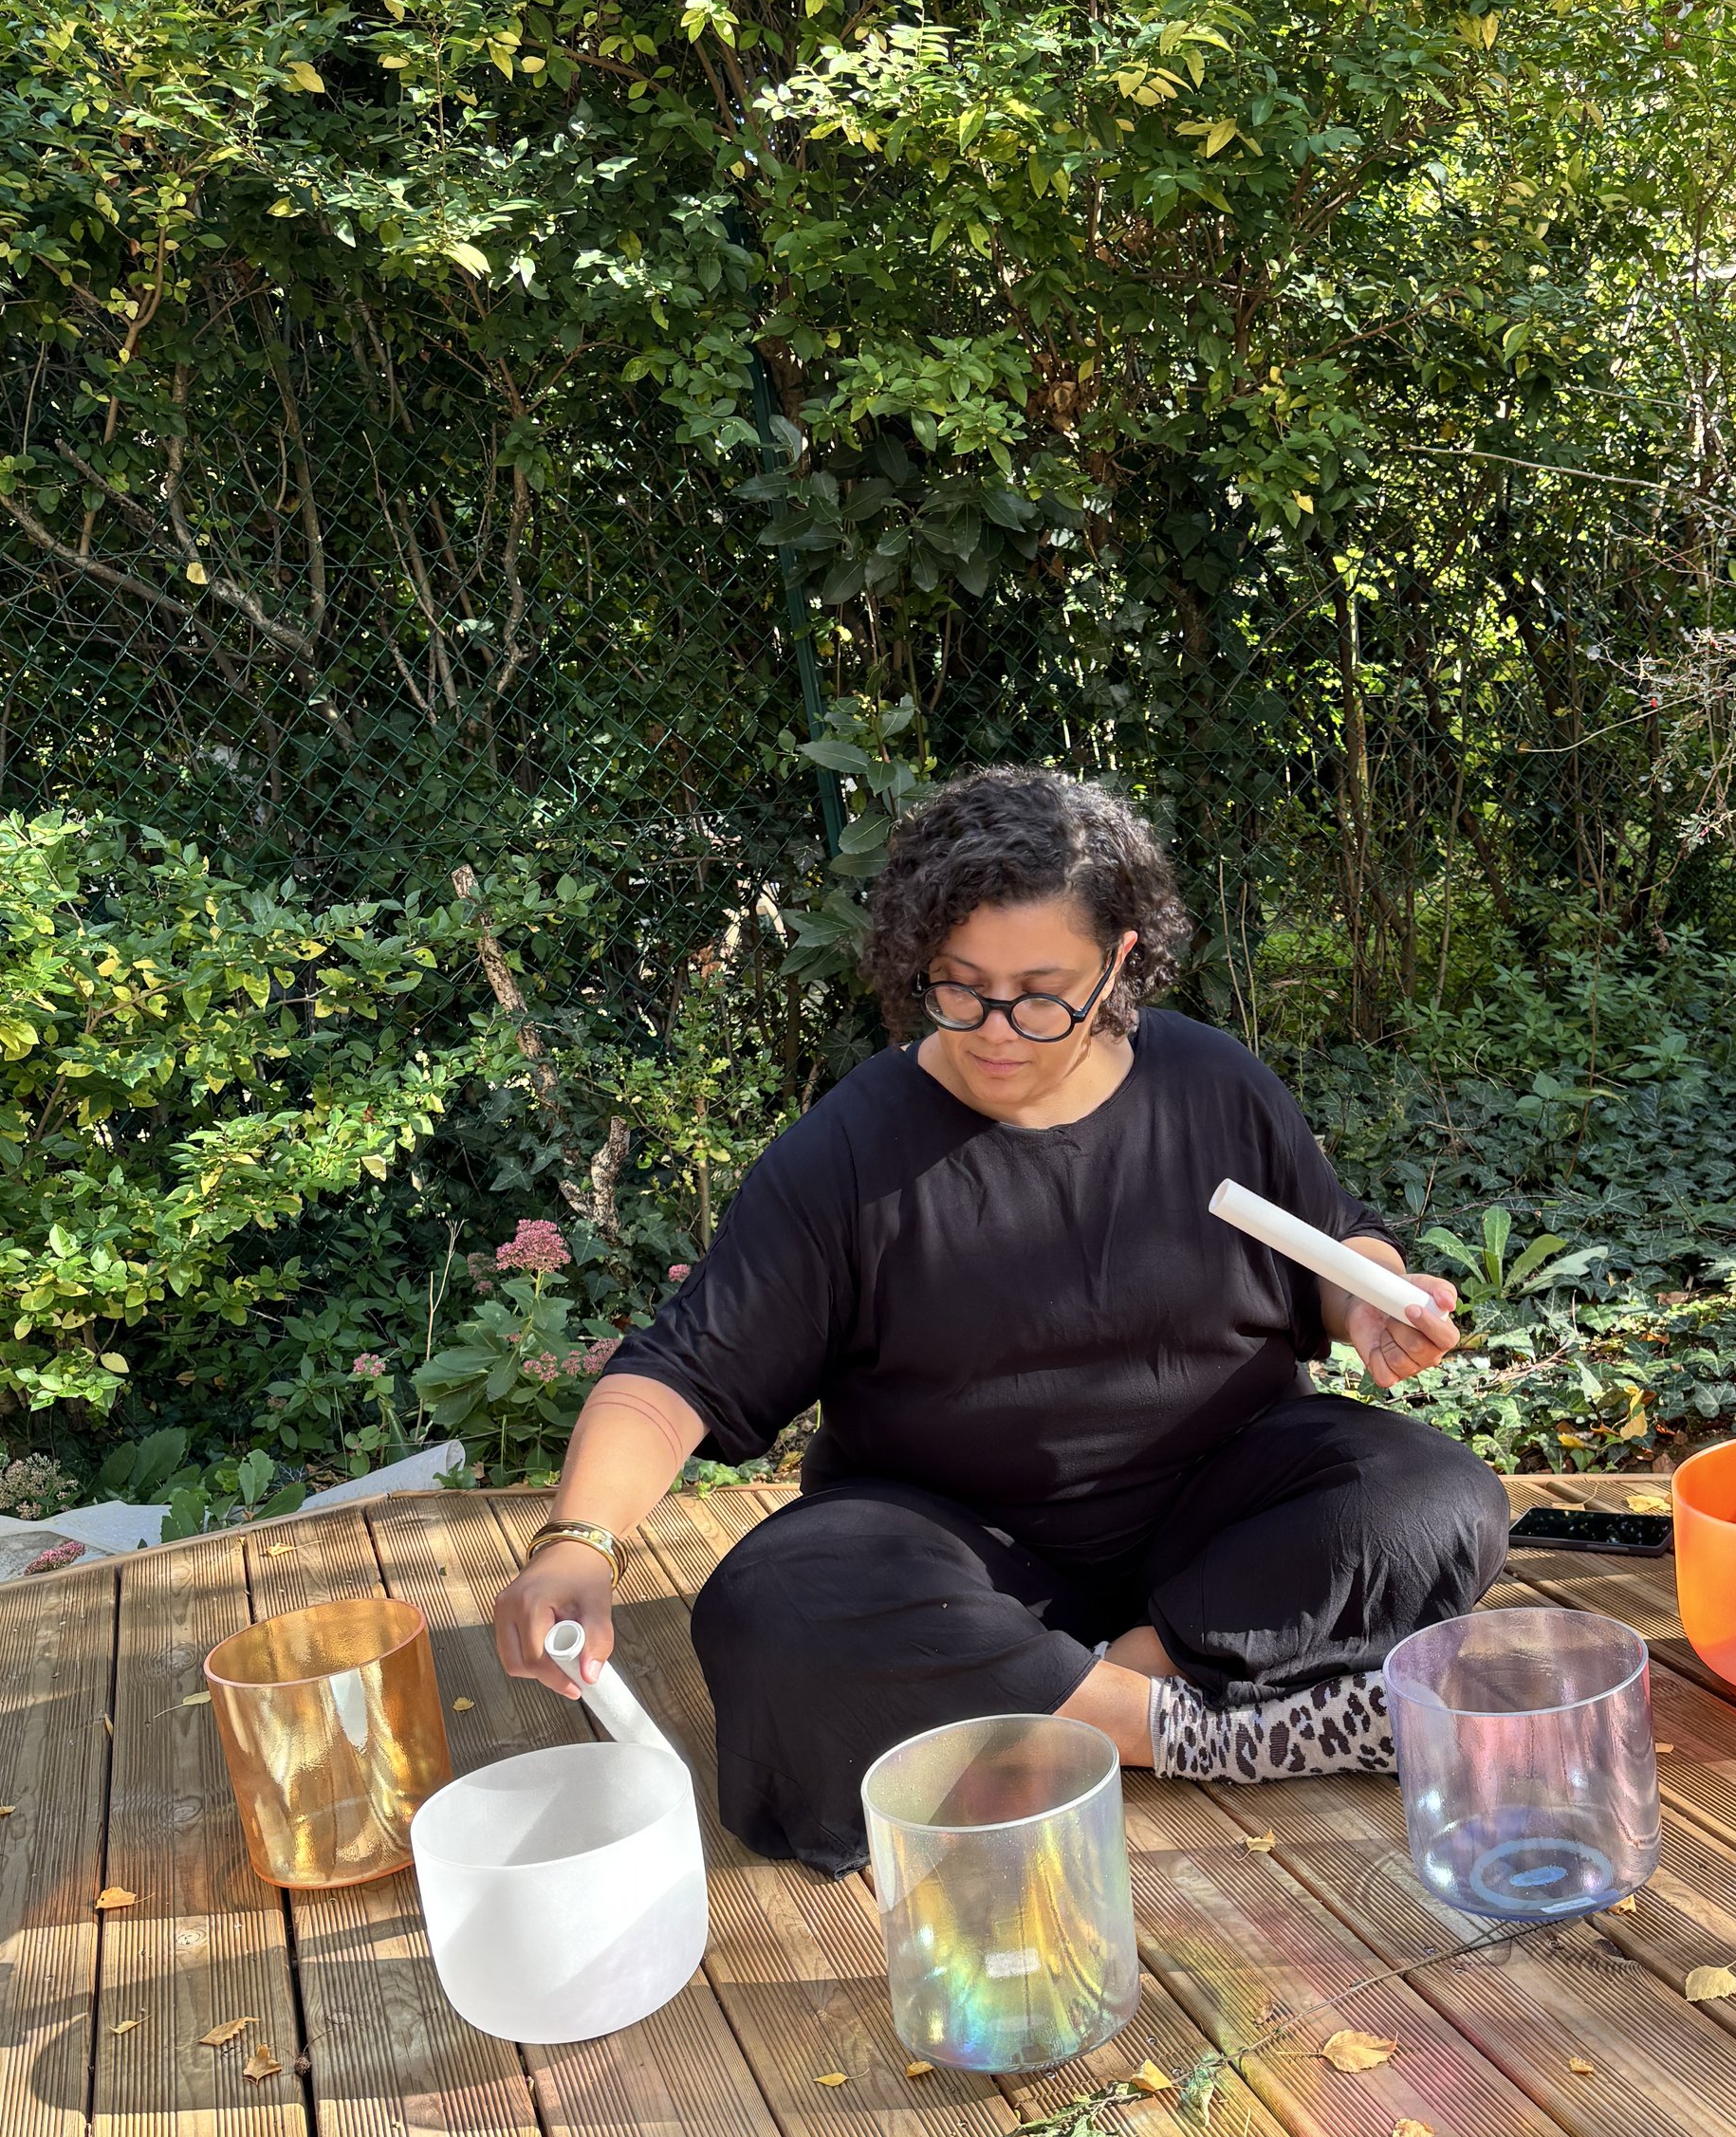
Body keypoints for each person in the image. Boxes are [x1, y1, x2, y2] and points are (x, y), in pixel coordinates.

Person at [491, 766, 1509, 1873]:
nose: (996, 1031)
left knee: (1432, 1499)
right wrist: (576, 1543)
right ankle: (1190, 1729)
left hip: (1220, 1521)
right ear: (913, 963)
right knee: (776, 1600)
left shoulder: (1209, 1085)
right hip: (961, 1551)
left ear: (1120, 957)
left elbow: (1332, 1240)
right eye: (959, 988)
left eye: (1040, 993)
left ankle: (1073, 1701)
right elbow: (677, 1374)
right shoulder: (848, 1150)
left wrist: (1365, 1295)